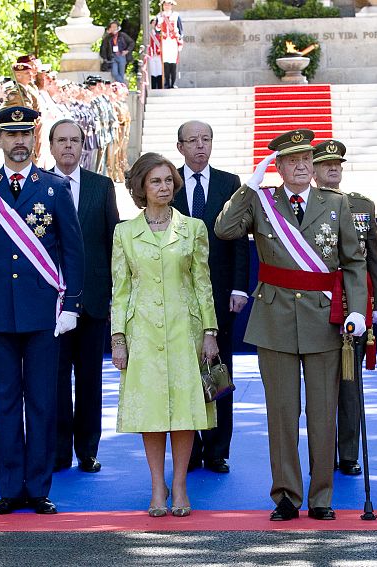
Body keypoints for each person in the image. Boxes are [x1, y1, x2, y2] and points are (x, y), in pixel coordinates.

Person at [214, 129, 368, 521]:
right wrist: (248, 187)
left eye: (306, 160)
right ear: (278, 167)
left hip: (324, 318)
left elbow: (353, 261)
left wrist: (357, 310)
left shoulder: (336, 204)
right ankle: (286, 495)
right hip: (275, 318)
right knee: (282, 413)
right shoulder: (261, 202)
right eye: (292, 160)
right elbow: (225, 229)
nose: (301, 166)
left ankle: (321, 496)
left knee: (322, 413)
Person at [0, 106, 84, 515]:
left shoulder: (53, 188)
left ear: (34, 138)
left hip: (44, 313)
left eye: (25, 134)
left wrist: (71, 305)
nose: (18, 141)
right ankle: (11, 488)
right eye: (10, 135)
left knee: (44, 403)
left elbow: (73, 251)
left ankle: (39, 488)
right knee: (4, 402)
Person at [111, 152, 219, 517]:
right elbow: (120, 289)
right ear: (141, 187)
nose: (164, 187)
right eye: (155, 181)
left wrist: (209, 332)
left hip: (184, 329)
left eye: (168, 180)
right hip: (141, 331)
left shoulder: (194, 228)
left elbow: (202, 283)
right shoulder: (125, 232)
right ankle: (158, 485)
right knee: (152, 412)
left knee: (185, 410)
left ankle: (181, 484)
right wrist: (118, 338)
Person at [172, 120, 249, 474]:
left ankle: (218, 450)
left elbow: (239, 238)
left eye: (206, 139)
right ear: (180, 147)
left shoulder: (229, 183)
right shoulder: (167, 181)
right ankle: (189, 450)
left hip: (219, 293)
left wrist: (239, 287)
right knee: (182, 372)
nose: (200, 146)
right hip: (176, 294)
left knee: (218, 369)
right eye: (192, 140)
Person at [311, 139, 377, 476]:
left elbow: (374, 259)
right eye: (326, 164)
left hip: (353, 304)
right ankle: (322, 454)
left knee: (350, 383)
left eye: (337, 164)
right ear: (312, 170)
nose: (333, 168)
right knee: (319, 387)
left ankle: (348, 453)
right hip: (316, 303)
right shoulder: (304, 204)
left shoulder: (361, 205)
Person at [49, 118, 120, 473]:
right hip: (51, 303)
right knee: (55, 380)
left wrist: (113, 296)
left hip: (92, 301)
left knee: (90, 380)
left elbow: (113, 243)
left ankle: (88, 450)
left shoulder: (101, 186)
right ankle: (59, 451)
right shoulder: (38, 185)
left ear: (83, 146)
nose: (68, 146)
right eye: (61, 140)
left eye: (74, 140)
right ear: (50, 146)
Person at [154, 0, 184, 89]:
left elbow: (180, 29)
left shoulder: (176, 15)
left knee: (173, 62)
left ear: (171, 6)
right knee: (165, 62)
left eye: (168, 5)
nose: (166, 6)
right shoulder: (159, 16)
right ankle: (167, 82)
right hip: (164, 41)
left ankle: (173, 83)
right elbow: (156, 31)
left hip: (173, 41)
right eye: (165, 5)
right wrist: (159, 24)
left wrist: (180, 39)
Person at [100, 21, 135, 85]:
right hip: (113, 57)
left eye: (115, 27)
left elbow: (131, 43)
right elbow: (103, 48)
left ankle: (121, 87)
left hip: (121, 56)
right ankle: (123, 85)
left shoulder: (122, 35)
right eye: (112, 27)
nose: (113, 28)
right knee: (114, 73)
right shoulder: (107, 37)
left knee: (121, 73)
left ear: (118, 28)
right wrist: (105, 58)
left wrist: (127, 51)